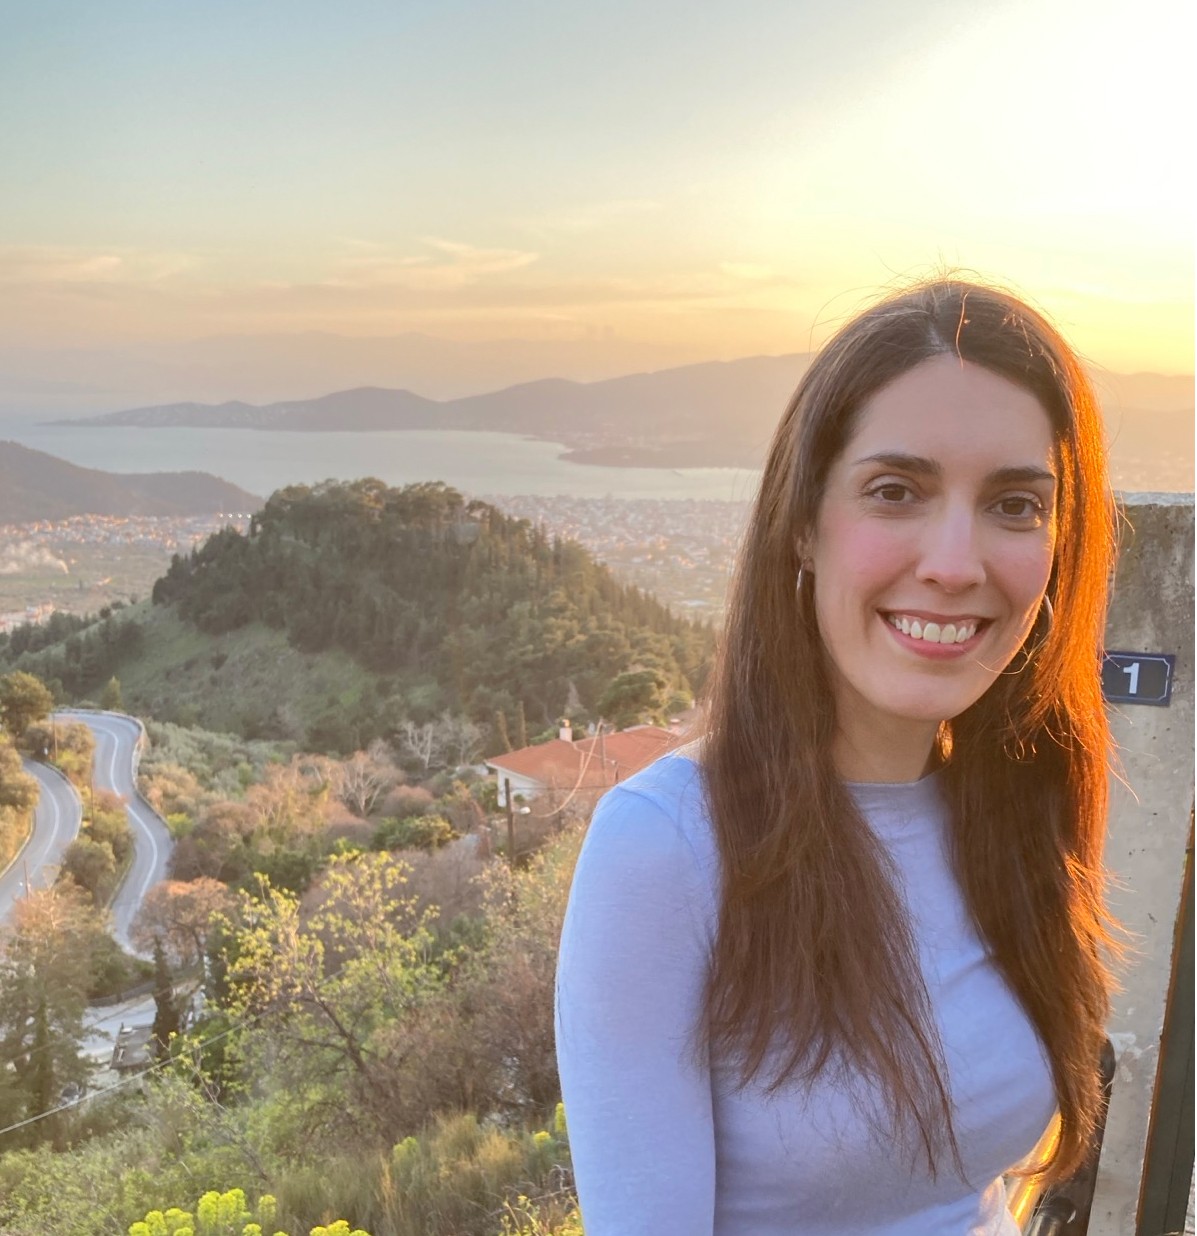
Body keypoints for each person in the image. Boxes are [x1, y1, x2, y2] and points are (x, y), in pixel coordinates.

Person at [554, 278, 1119, 1234]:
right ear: (804, 524)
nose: (953, 561)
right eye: (895, 492)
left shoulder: (1018, 808)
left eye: (1015, 504)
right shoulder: (669, 847)